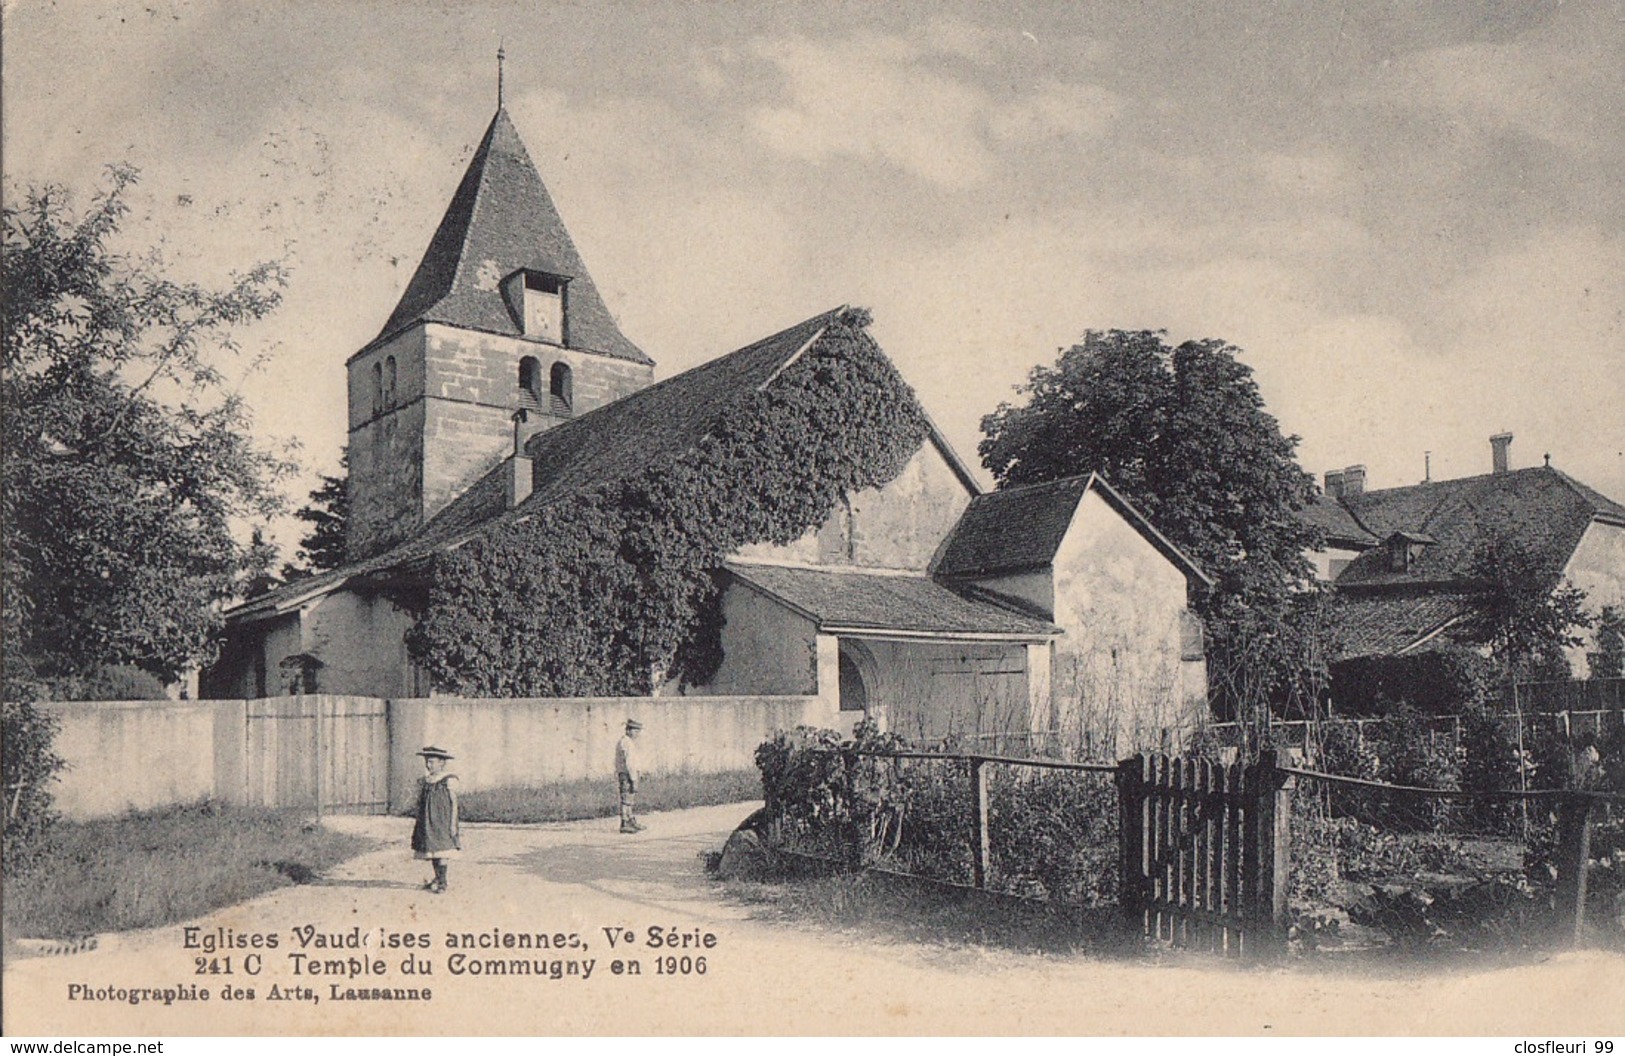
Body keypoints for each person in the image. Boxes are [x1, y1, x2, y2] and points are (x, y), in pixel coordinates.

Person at [411, 746, 460, 892]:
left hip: (443, 820)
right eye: (427, 761)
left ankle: (442, 882)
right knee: (433, 850)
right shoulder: (426, 781)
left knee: (443, 849)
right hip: (427, 820)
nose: (428, 765)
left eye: (432, 762)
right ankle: (437, 878)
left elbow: (454, 803)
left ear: (441, 763)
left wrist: (453, 824)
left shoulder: (448, 780)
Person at [615, 719, 645, 834]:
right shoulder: (626, 743)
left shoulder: (628, 742)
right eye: (635, 731)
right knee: (626, 798)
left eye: (638, 731)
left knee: (630, 797)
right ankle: (625, 821)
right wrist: (633, 778)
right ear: (628, 730)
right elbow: (630, 763)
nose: (637, 734)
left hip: (628, 773)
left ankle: (630, 819)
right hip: (627, 774)